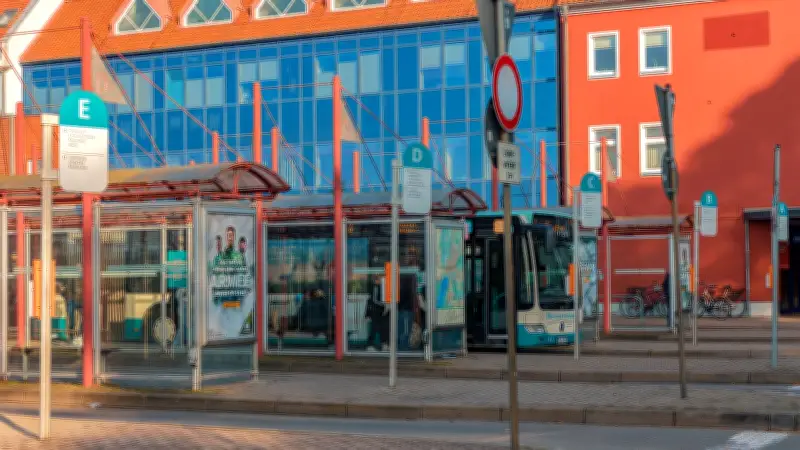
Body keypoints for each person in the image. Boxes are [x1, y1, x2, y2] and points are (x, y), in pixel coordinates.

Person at [365, 276, 389, 351]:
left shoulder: (380, 287)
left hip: (379, 312)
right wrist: (384, 305)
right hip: (376, 312)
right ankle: (371, 345)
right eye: (378, 280)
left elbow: (371, 301)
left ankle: (383, 344)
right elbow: (373, 301)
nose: (380, 281)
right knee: (374, 328)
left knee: (382, 328)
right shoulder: (375, 287)